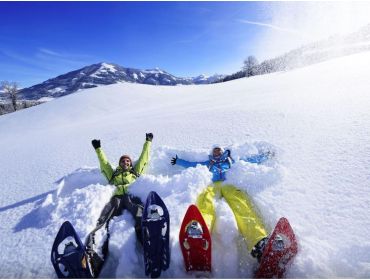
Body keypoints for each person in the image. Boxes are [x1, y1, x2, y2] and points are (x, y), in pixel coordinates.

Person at [171, 145, 271, 262]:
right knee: (206, 201)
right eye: (215, 150)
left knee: (241, 205)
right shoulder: (208, 163)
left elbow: (248, 162)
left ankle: (258, 241)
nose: (217, 152)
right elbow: (192, 165)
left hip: (228, 184)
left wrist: (264, 156)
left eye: (219, 150)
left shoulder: (229, 161)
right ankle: (200, 232)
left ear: (222, 152)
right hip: (214, 185)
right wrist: (178, 161)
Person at [85, 133, 153, 265]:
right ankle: (95, 247)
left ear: (130, 163)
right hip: (117, 198)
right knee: (106, 215)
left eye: (128, 161)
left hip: (130, 195)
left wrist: (148, 142)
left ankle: (145, 238)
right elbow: (104, 164)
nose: (126, 162)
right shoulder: (114, 174)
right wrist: (98, 149)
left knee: (139, 210)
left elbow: (144, 157)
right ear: (120, 163)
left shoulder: (135, 172)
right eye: (123, 161)